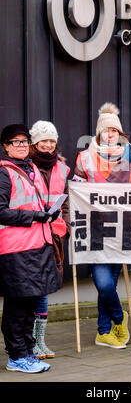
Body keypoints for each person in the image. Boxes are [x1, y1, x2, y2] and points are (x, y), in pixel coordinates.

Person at [74, 102, 131, 349]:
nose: (111, 134)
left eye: (115, 130)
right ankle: (118, 317)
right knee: (103, 282)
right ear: (99, 133)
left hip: (124, 228)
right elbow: (75, 189)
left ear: (120, 133)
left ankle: (104, 332)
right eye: (106, 130)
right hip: (96, 228)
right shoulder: (84, 157)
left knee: (109, 284)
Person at [0, 124, 61, 373]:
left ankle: (27, 352)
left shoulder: (30, 168)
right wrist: (35, 216)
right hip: (15, 248)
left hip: (36, 244)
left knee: (29, 304)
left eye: (25, 141)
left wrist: (48, 212)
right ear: (5, 146)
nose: (22, 146)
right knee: (18, 305)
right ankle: (16, 356)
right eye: (16, 142)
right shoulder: (4, 172)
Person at [29, 120, 71, 359]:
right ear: (35, 142)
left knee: (45, 288)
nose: (47, 145)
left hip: (53, 234)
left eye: (51, 140)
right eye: (43, 140)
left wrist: (63, 226)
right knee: (32, 288)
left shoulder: (62, 168)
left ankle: (40, 341)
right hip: (31, 233)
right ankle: (28, 340)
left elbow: (64, 202)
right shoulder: (27, 166)